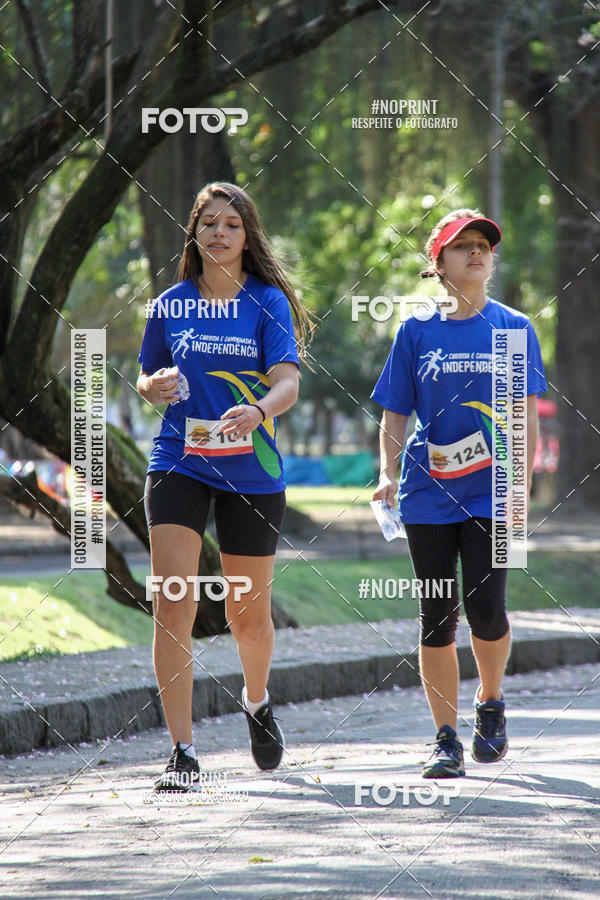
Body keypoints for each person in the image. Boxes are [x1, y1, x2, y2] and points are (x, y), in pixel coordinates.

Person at [137, 182, 312, 791]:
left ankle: (257, 701)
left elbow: (288, 382)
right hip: (178, 462)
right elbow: (147, 376)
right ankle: (183, 752)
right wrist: (151, 387)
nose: (219, 232)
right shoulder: (170, 305)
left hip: (251, 469)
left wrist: (260, 412)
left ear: (247, 236)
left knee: (247, 616)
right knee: (172, 605)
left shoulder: (267, 303)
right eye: (208, 222)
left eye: (231, 224)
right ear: (194, 233)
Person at [371, 209, 547, 778]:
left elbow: (522, 412)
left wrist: (521, 481)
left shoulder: (514, 327)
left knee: (487, 607)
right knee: (436, 615)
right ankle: (445, 738)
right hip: (427, 492)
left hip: (492, 493)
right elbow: (394, 413)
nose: (476, 254)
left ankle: (490, 702)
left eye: (483, 246)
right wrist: (388, 473)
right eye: (462, 246)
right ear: (437, 262)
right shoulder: (416, 330)